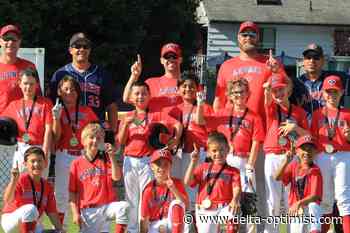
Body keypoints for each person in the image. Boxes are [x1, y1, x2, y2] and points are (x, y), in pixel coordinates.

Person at [118, 81, 183, 233]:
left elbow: (177, 125)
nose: (140, 96)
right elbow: (121, 142)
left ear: (149, 96)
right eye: (137, 93)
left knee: (144, 198)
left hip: (148, 161)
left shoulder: (156, 114)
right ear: (132, 97)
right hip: (129, 160)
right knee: (130, 198)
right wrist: (127, 124)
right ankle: (132, 230)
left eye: (144, 93)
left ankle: (143, 229)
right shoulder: (128, 116)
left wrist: (175, 140)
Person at [206, 77, 265, 233]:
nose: (239, 95)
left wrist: (250, 165)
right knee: (225, 196)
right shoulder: (222, 113)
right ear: (230, 95)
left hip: (245, 160)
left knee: (248, 200)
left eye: (242, 92)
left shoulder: (254, 116)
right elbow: (211, 134)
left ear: (248, 94)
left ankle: (249, 231)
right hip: (226, 160)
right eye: (235, 92)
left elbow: (256, 142)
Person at [263, 73, 308, 233]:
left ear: (289, 90)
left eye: (281, 89)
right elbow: (267, 97)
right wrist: (267, 89)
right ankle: (271, 231)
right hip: (273, 156)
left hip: (292, 156)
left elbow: (308, 136)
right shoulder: (271, 108)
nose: (278, 93)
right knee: (273, 199)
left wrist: (295, 128)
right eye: (275, 91)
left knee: (292, 196)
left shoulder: (299, 112)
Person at [51, 75, 98, 226]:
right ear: (59, 92)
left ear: (77, 92)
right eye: (65, 89)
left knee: (86, 193)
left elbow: (96, 132)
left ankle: (87, 227)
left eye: (72, 89)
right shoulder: (57, 110)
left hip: (83, 156)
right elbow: (56, 137)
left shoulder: (87, 110)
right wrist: (56, 118)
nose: (69, 92)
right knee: (61, 194)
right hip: (64, 154)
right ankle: (60, 228)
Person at [50, 32, 118, 131]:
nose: (82, 49)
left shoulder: (102, 74)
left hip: (95, 131)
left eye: (85, 46)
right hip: (68, 130)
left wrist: (112, 132)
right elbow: (51, 104)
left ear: (89, 50)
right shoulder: (60, 74)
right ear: (70, 50)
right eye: (77, 46)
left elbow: (111, 106)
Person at [69, 123, 129, 233]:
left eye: (99, 138)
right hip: (88, 211)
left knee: (123, 207)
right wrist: (75, 213)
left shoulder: (106, 158)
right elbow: (72, 192)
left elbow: (117, 177)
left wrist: (111, 156)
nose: (95, 141)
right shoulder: (76, 163)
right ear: (83, 141)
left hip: (106, 207)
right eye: (91, 137)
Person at [310, 75, 350, 233]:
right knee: (325, 198)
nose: (331, 95)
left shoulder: (347, 113)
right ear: (322, 93)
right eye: (328, 91)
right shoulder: (317, 115)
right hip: (322, 156)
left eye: (335, 91)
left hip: (343, 155)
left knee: (343, 197)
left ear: (341, 92)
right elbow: (312, 138)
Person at [167, 73, 213, 209]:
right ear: (178, 89)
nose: (188, 89)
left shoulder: (206, 107)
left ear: (198, 88)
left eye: (192, 86)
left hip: (201, 153)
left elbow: (208, 127)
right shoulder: (174, 110)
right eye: (184, 86)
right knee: (183, 189)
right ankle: (184, 222)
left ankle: (196, 224)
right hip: (182, 152)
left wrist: (200, 105)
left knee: (197, 190)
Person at [184, 132, 241, 233]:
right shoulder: (203, 167)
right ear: (209, 152)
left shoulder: (233, 171)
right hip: (205, 210)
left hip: (224, 208)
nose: (218, 154)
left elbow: (236, 188)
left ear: (228, 150)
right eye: (214, 151)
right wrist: (193, 162)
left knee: (232, 223)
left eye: (221, 150)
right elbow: (187, 182)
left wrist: (235, 200)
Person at [1, 146, 66, 233]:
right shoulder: (21, 179)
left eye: (40, 161)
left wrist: (60, 229)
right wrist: (13, 181)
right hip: (11, 220)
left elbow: (52, 213)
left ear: (45, 163)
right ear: (25, 164)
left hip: (32, 222)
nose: (36, 164)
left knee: (58, 232)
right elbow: (7, 200)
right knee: (31, 209)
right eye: (33, 161)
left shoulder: (47, 186)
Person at [1, 67, 53, 173]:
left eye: (31, 84)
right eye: (25, 83)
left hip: (39, 148)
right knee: (19, 186)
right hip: (21, 149)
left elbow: (48, 131)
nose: (28, 87)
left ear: (37, 85)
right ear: (19, 84)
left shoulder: (45, 103)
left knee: (39, 186)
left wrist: (45, 154)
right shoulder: (13, 105)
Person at [274, 134, 322, 233]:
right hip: (296, 210)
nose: (307, 152)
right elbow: (277, 177)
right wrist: (286, 161)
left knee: (314, 206)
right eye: (303, 149)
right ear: (297, 151)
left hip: (307, 207)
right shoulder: (293, 166)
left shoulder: (315, 170)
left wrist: (298, 203)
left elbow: (315, 196)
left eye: (310, 149)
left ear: (315, 152)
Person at [291, 43, 350, 122]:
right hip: (304, 130)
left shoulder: (336, 78)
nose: (312, 61)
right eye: (308, 57)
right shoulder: (295, 83)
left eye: (316, 57)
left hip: (330, 129)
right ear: (303, 61)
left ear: (323, 60)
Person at [140, 148, 189, 233]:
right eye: (158, 164)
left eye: (165, 164)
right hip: (155, 224)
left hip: (174, 221)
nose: (162, 167)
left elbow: (186, 206)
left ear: (171, 166)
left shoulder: (177, 183)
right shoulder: (148, 189)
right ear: (152, 166)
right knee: (161, 228)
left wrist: (173, 189)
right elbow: (144, 218)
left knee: (178, 206)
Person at [123, 43, 183, 108]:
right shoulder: (151, 83)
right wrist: (134, 76)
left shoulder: (188, 84)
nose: (171, 60)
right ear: (161, 60)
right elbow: (127, 98)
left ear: (180, 59)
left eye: (174, 57)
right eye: (167, 57)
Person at [0, 24, 40, 114]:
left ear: (19, 42)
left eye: (14, 39)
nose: (10, 42)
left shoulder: (29, 66)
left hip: (25, 120)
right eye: (6, 39)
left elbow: (38, 96)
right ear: (0, 41)